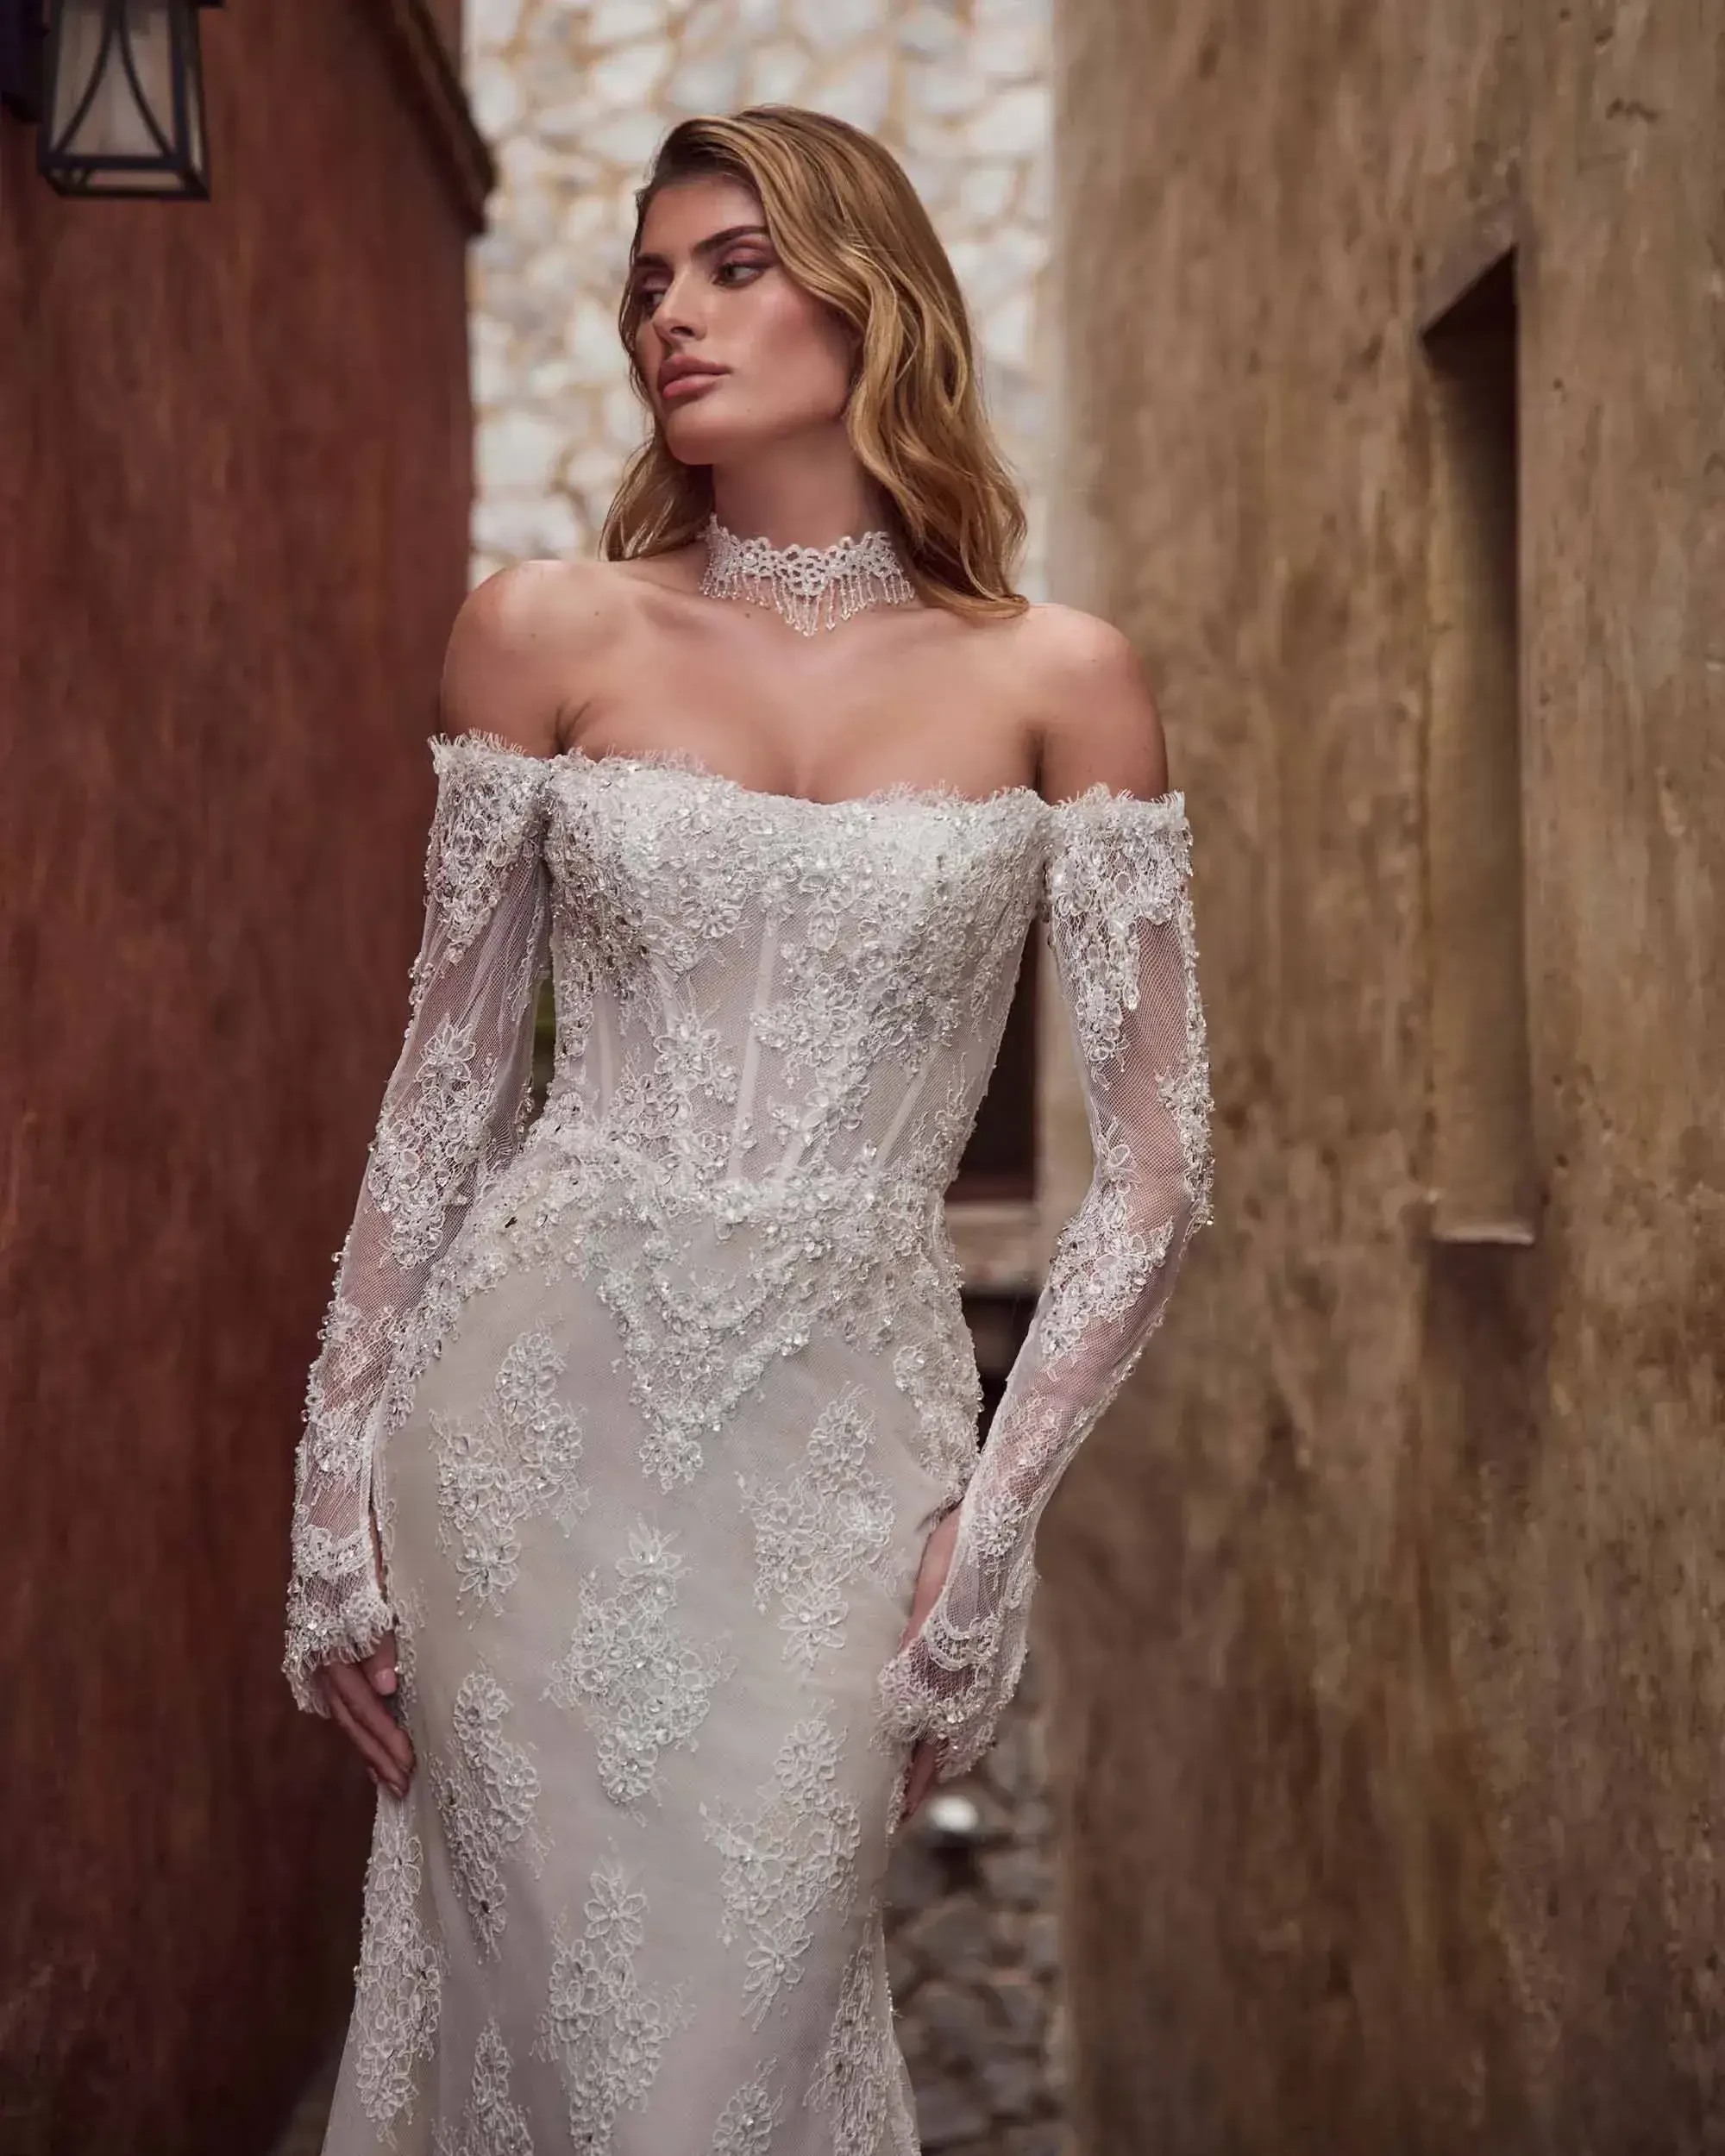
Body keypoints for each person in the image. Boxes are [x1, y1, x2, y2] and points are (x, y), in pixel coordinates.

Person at [285, 103, 1213, 2156]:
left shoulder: (1063, 677)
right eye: (646, 281)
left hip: (840, 1482)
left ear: (867, 292)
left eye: (730, 264)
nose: (668, 317)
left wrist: (989, 1530)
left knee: (731, 2058)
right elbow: (442, 1094)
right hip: (526, 1439)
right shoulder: (546, 630)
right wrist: (332, 1499)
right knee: (546, 2056)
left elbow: (1154, 1167)